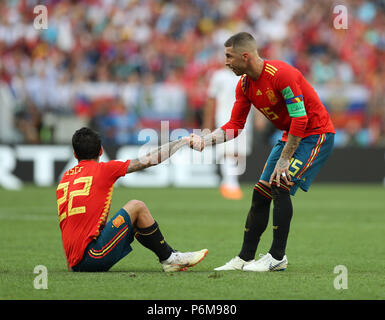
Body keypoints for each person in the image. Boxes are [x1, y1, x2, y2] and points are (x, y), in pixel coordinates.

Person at [190, 32, 335, 272]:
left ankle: (277, 257)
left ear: (245, 56)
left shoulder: (282, 75)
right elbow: (235, 126)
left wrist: (284, 160)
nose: (226, 62)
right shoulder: (245, 84)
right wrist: (207, 140)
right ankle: (244, 258)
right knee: (260, 193)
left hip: (315, 134)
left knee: (279, 184)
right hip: (291, 135)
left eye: (229, 56)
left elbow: (300, 119)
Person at [56, 127, 208, 272]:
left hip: (76, 262)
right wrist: (182, 142)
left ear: (75, 154)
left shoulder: (65, 179)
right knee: (136, 206)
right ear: (101, 150)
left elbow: (67, 225)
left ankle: (169, 257)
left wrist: (72, 264)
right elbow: (149, 160)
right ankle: (170, 258)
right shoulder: (103, 169)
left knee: (133, 219)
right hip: (93, 256)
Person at [203, 67, 254, 200]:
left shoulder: (248, 75)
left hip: (246, 120)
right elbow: (211, 99)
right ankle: (230, 184)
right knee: (228, 151)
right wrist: (208, 121)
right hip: (226, 119)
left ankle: (229, 182)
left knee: (240, 153)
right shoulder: (219, 76)